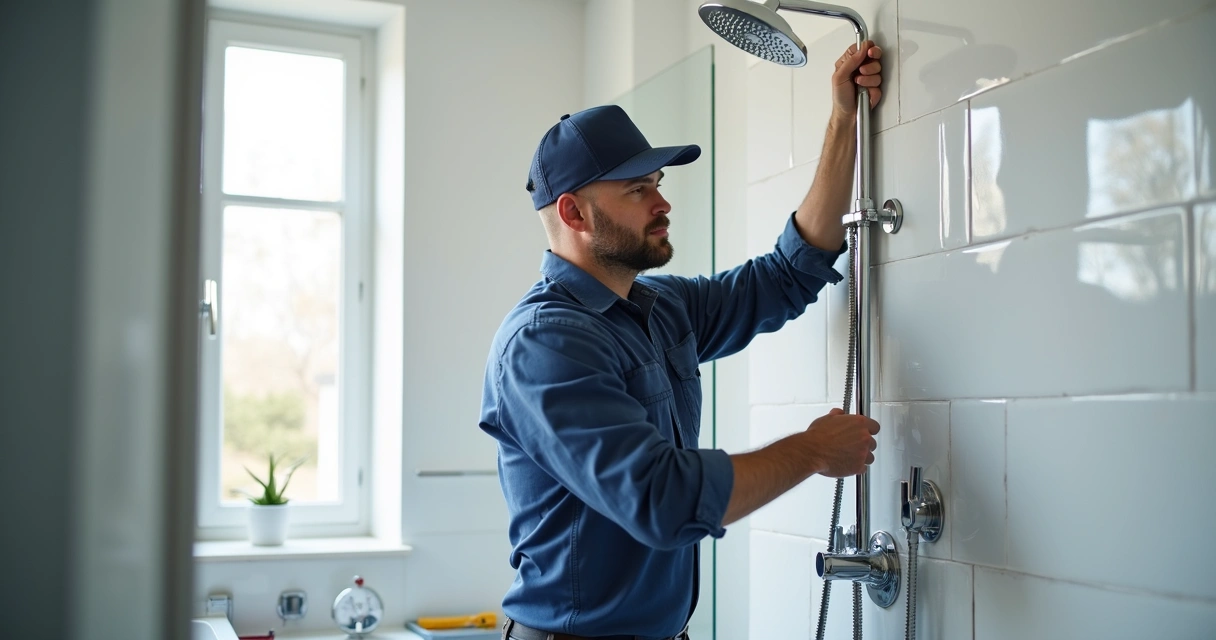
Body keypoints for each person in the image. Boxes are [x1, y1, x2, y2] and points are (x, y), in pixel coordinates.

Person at [480, 41, 885, 640]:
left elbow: (786, 274)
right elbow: (661, 499)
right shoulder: (545, 344)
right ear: (574, 213)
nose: (663, 201)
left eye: (657, 182)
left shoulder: (660, 307)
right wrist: (812, 450)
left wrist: (842, 117)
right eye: (636, 189)